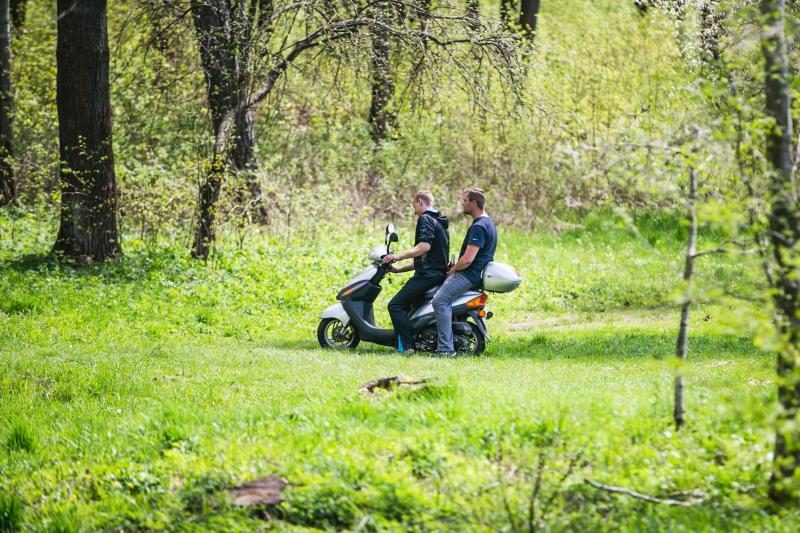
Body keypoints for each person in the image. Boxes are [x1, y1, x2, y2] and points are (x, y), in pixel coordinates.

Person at [382, 191, 450, 354]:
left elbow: (423, 247)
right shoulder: (439, 222)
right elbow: (426, 259)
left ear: (420, 201)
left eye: (413, 205)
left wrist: (396, 256)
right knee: (409, 306)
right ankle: (416, 340)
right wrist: (399, 270)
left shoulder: (425, 219)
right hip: (435, 274)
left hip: (428, 276)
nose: (413, 210)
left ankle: (406, 347)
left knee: (395, 305)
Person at [432, 187, 496, 356]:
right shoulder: (488, 223)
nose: (462, 204)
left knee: (439, 301)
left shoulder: (479, 227)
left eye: (465, 201)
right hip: (475, 274)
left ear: (474, 203)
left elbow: (468, 259)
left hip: (468, 275)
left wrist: (453, 269)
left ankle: (446, 349)